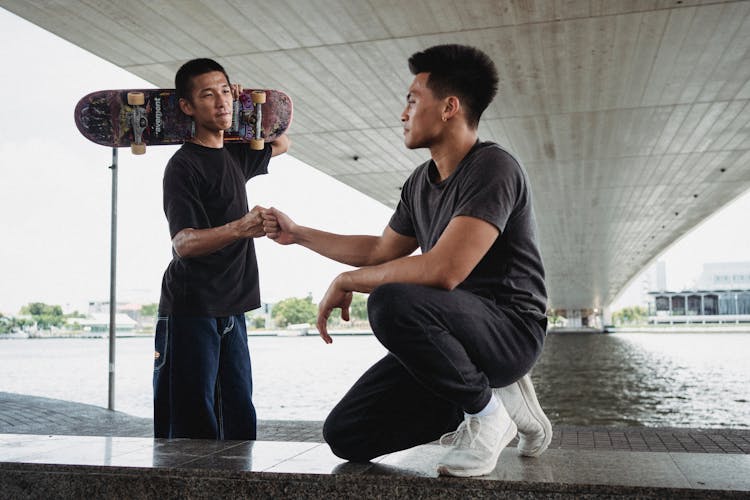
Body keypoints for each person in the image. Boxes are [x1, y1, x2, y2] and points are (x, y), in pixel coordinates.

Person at [262, 44, 551, 477]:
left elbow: (443, 271)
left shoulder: (494, 167)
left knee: (390, 300)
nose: (403, 113)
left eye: (412, 101)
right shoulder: (420, 183)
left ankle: (487, 414)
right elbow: (381, 251)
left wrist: (349, 281)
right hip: (447, 337)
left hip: (508, 332)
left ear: (450, 107)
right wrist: (299, 234)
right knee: (347, 435)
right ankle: (492, 399)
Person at [153, 58, 290, 440]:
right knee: (191, 426)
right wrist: (241, 227)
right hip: (191, 308)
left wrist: (247, 111)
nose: (221, 103)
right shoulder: (182, 166)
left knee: (239, 419)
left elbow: (282, 141)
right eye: (208, 95)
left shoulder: (235, 155)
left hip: (233, 307)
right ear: (187, 106)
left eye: (226, 92)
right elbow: (184, 243)